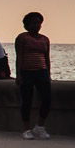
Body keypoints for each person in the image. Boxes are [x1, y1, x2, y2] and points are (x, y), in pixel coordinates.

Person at [16, 11, 52, 139]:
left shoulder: (45, 39)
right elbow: (19, 56)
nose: (37, 25)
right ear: (27, 25)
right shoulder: (22, 38)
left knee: (47, 99)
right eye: (34, 23)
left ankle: (39, 126)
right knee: (27, 100)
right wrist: (18, 74)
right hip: (27, 72)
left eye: (39, 23)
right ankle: (26, 129)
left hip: (41, 71)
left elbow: (46, 57)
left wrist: (48, 73)